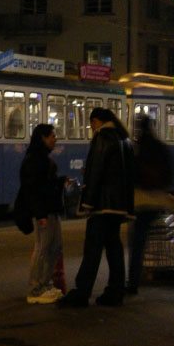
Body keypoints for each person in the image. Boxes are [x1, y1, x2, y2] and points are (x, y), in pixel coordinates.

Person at [59, 108, 135, 308]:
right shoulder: (123, 138)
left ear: (96, 121)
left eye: (91, 124)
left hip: (102, 205)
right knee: (114, 248)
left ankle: (82, 292)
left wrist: (88, 203)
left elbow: (97, 172)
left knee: (92, 249)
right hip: (117, 206)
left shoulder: (102, 137)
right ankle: (115, 290)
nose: (92, 128)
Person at [20, 123, 68, 304]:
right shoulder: (35, 160)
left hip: (52, 209)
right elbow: (34, 189)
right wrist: (40, 214)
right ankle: (35, 289)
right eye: (51, 136)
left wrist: (61, 181)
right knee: (42, 248)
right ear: (42, 138)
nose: (55, 139)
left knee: (55, 247)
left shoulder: (43, 158)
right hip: (45, 211)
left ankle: (45, 284)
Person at [126, 114, 174, 295]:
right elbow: (171, 174)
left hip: (141, 201)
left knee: (137, 243)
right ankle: (166, 271)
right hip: (158, 201)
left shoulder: (138, 148)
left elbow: (132, 175)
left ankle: (133, 282)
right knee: (158, 237)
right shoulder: (160, 147)